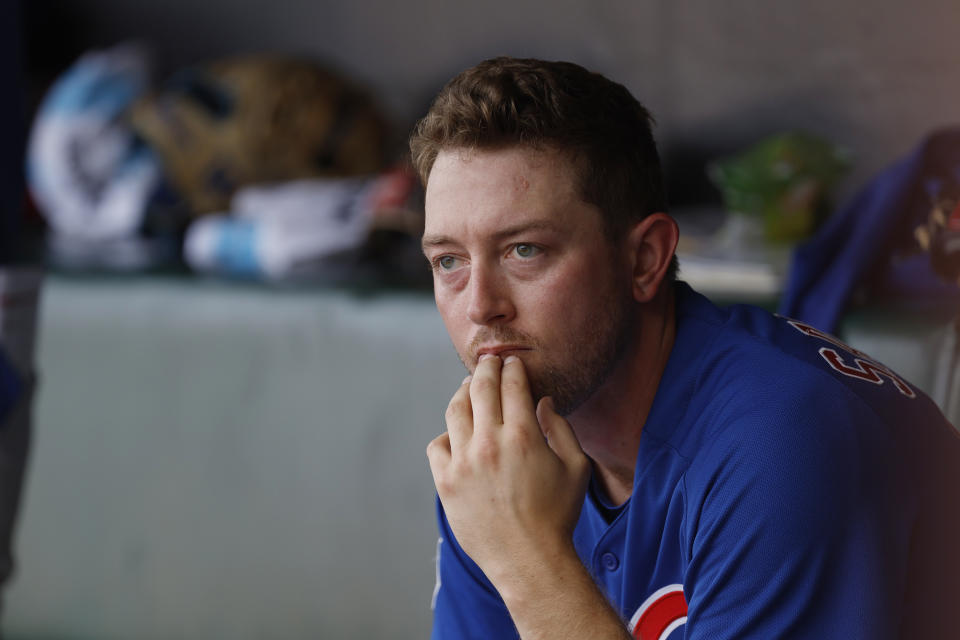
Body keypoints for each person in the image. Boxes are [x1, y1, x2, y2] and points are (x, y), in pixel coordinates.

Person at [410, 57, 960, 639]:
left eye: (524, 251)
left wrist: (528, 559)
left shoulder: (780, 440)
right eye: (449, 261)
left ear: (645, 259)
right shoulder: (496, 459)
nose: (479, 306)